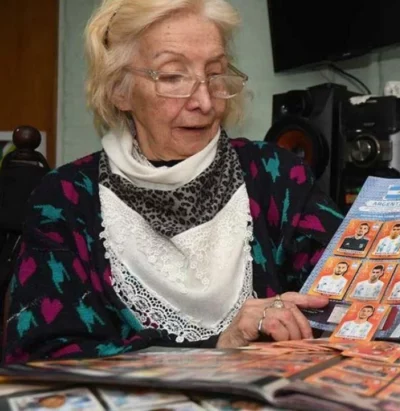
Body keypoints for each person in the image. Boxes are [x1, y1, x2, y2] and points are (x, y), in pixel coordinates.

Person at [3, 0, 341, 364]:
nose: (204, 101)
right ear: (120, 90)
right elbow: (42, 354)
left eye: (215, 74)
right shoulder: (66, 199)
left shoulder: (277, 176)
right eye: (173, 76)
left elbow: (352, 293)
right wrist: (218, 347)